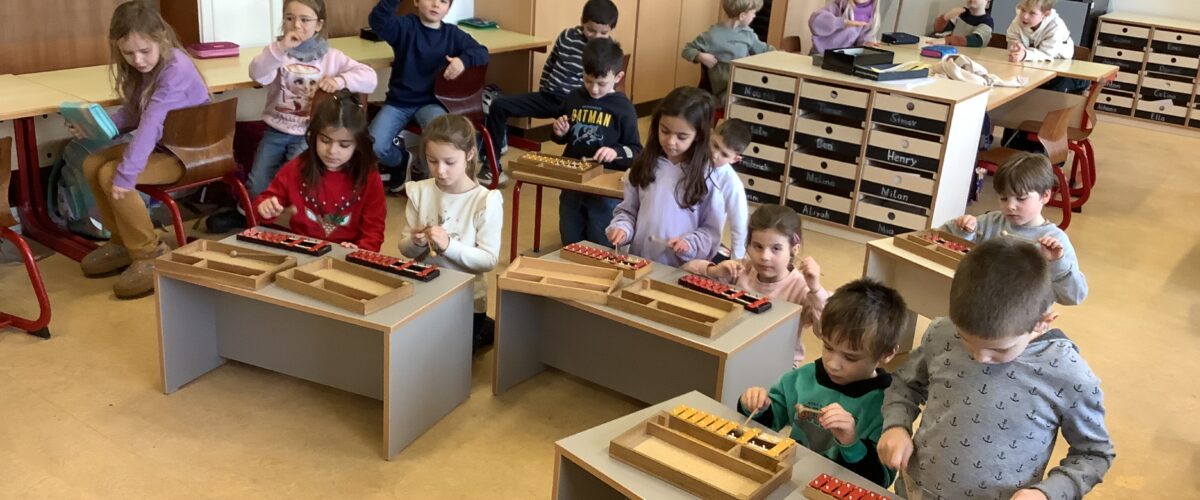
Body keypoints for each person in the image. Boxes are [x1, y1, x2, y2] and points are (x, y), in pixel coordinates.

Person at [877, 239, 1114, 500]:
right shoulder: (942, 333)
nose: (979, 357)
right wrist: (896, 426)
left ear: (1042, 322)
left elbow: (1094, 454)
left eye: (999, 350)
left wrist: (1046, 494)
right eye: (965, 340)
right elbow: (905, 385)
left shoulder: (1069, 375)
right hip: (916, 491)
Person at [75, 0, 209, 299]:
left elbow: (151, 123)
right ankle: (122, 242)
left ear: (161, 39)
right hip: (165, 145)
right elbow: (134, 113)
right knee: (91, 163)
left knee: (112, 174)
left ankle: (149, 254)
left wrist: (127, 175)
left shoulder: (176, 68)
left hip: (189, 152)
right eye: (128, 53)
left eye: (144, 51)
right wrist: (95, 125)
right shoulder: (142, 68)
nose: (137, 59)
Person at [208, 0, 377, 232]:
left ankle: (286, 223)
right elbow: (258, 75)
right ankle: (246, 214)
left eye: (305, 20)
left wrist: (340, 80)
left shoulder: (331, 57)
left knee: (294, 182)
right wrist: (280, 49)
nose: (296, 25)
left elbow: (370, 78)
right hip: (276, 130)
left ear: (319, 25)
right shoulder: (278, 53)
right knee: (257, 182)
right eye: (290, 18)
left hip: (308, 135)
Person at [737, 278, 907, 488]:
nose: (833, 364)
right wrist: (756, 406)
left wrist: (851, 442)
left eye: (850, 358)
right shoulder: (803, 378)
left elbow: (879, 481)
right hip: (792, 482)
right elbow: (767, 424)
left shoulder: (888, 407)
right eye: (828, 347)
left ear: (886, 354)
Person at [481, 0, 619, 184]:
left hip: (579, 104)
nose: (596, 36)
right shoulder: (567, 36)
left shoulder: (608, 51)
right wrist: (543, 89)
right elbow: (551, 63)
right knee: (498, 105)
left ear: (611, 30)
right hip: (550, 96)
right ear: (582, 22)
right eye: (590, 30)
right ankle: (490, 166)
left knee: (589, 135)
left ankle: (591, 174)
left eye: (603, 33)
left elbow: (605, 87)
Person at [398, 114, 503, 350]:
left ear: (470, 155)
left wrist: (449, 246)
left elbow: (489, 260)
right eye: (432, 161)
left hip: (467, 300)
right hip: (424, 290)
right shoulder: (419, 191)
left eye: (449, 162)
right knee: (409, 345)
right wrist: (416, 243)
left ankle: (484, 328)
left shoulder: (486, 201)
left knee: (448, 353)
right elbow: (404, 249)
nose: (440, 170)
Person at [683, 205, 828, 366]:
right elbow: (683, 274)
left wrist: (816, 289)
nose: (764, 256)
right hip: (734, 353)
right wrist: (714, 271)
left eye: (776, 248)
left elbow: (827, 331)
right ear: (748, 245)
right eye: (758, 246)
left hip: (779, 363)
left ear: (794, 250)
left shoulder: (802, 288)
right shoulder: (741, 270)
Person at [368, 0, 488, 191]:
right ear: (416, 2)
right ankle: (402, 160)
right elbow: (378, 20)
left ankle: (424, 171)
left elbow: (482, 52)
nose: (435, 4)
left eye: (443, 1)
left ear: (448, 8)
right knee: (373, 145)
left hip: (432, 102)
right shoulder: (405, 27)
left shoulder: (452, 34)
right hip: (399, 102)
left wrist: (463, 61)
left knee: (446, 140)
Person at [941, 152, 1087, 305]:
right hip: (980, 308)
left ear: (1045, 196)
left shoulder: (1056, 240)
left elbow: (1075, 296)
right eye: (1004, 198)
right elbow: (941, 240)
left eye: (1021, 198)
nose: (1010, 206)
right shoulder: (990, 222)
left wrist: (1057, 263)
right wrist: (963, 231)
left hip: (1025, 317)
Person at [253, 91, 386, 251]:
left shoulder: (368, 176)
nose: (332, 151)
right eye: (325, 140)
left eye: (344, 145)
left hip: (346, 255)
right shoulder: (297, 167)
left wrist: (361, 251)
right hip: (302, 249)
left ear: (357, 144)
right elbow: (264, 203)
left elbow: (374, 230)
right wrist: (265, 208)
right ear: (314, 136)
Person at [605, 87, 722, 267]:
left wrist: (690, 243)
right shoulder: (645, 164)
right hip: (639, 263)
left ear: (699, 135)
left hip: (681, 270)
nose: (670, 141)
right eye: (665, 131)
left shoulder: (710, 176)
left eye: (682, 136)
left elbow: (711, 231)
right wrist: (622, 228)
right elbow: (628, 211)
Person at [550, 38, 640, 246]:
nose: (594, 89)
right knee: (570, 239)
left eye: (601, 83)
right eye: (588, 81)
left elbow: (636, 151)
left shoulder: (624, 108)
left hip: (605, 189)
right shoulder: (574, 98)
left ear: (618, 77)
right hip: (573, 182)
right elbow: (562, 137)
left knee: (600, 243)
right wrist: (559, 132)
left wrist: (616, 152)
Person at [681, 0, 773, 103]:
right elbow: (687, 50)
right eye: (753, 13)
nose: (755, 16)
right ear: (742, 16)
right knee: (735, 100)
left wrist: (782, 54)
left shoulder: (748, 34)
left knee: (767, 94)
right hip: (725, 90)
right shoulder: (712, 36)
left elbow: (765, 50)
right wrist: (700, 56)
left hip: (744, 83)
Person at [1007, 0, 1088, 93]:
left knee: (1052, 92)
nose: (1025, 16)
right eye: (1023, 10)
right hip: (1033, 62)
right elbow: (1012, 37)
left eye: (1032, 13)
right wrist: (1016, 47)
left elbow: (1046, 55)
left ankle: (1081, 82)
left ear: (1045, 14)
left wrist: (1025, 54)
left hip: (1060, 63)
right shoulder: (1018, 21)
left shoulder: (1056, 27)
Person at [707, 118, 751, 261]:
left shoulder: (732, 183)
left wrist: (737, 261)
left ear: (735, 159)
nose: (715, 154)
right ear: (710, 134)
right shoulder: (691, 159)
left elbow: (739, 225)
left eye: (724, 154)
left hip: (706, 244)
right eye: (715, 145)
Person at [808, 0, 881, 55]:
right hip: (820, 56)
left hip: (843, 61)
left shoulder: (870, 17)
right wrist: (842, 22)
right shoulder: (837, 6)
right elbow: (814, 22)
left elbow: (863, 39)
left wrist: (867, 44)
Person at [927, 0, 993, 47]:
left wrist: (947, 40)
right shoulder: (962, 13)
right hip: (954, 52)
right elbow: (938, 29)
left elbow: (975, 41)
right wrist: (945, 17)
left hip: (972, 58)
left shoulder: (987, 21)